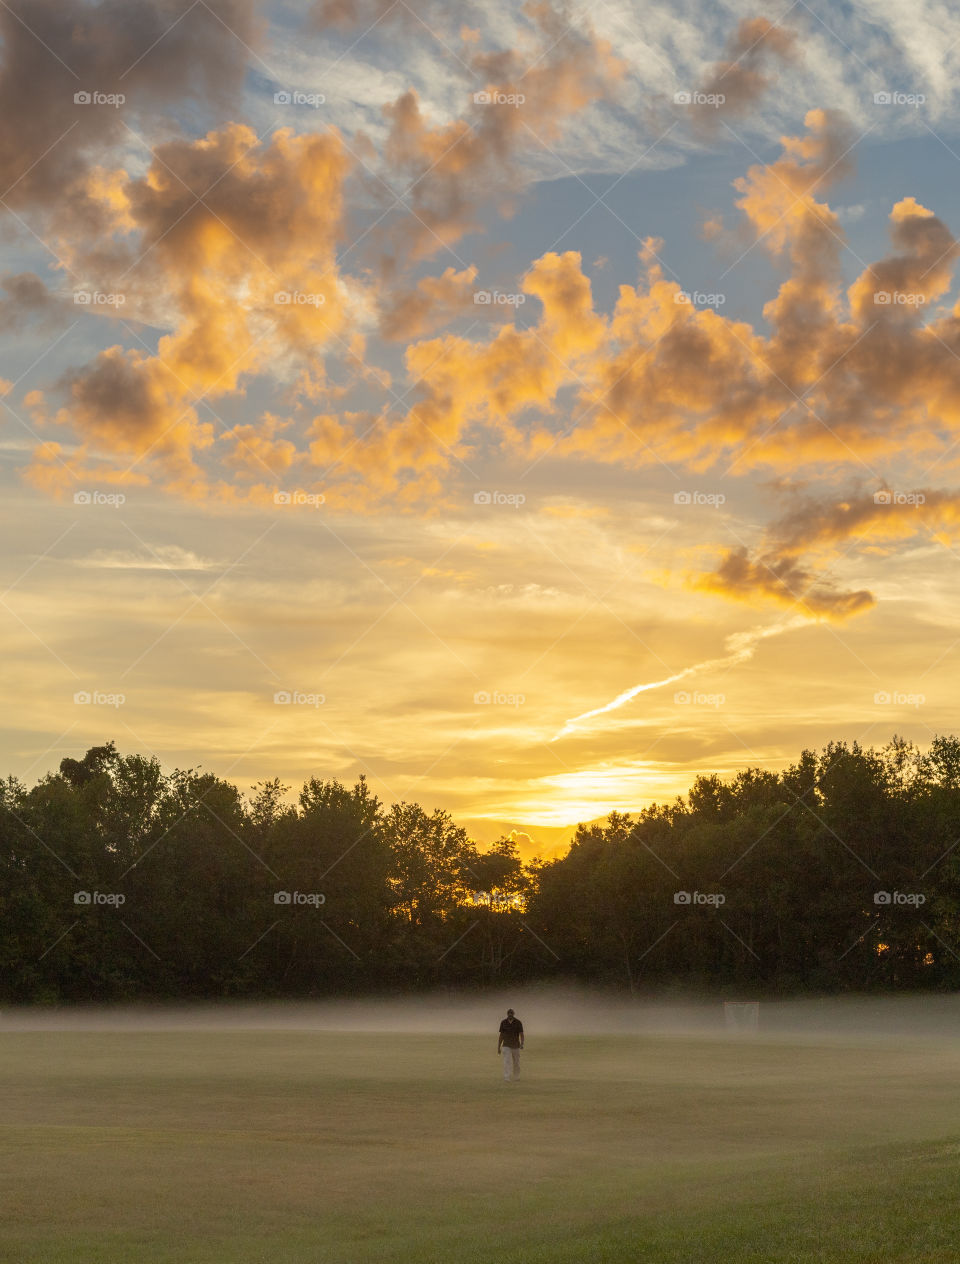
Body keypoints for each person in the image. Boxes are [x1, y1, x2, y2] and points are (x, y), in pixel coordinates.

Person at [497, 1007, 524, 1081]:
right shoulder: (503, 1022)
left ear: (513, 1014)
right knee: (507, 1062)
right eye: (509, 1013)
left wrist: (522, 1044)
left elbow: (521, 1034)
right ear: (507, 1014)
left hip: (516, 1045)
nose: (510, 1015)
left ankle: (516, 1076)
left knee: (516, 1062)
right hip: (506, 1045)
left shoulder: (518, 1022)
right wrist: (498, 1047)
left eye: (511, 1013)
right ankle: (507, 1077)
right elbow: (501, 1035)